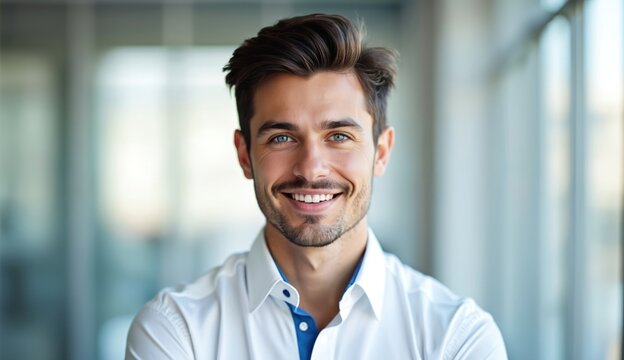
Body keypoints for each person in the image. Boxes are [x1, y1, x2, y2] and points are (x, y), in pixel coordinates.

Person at [125, 13, 507, 360]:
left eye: (339, 136)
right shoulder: (176, 332)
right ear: (244, 155)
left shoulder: (456, 337)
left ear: (382, 151)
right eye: (281, 138)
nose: (311, 168)